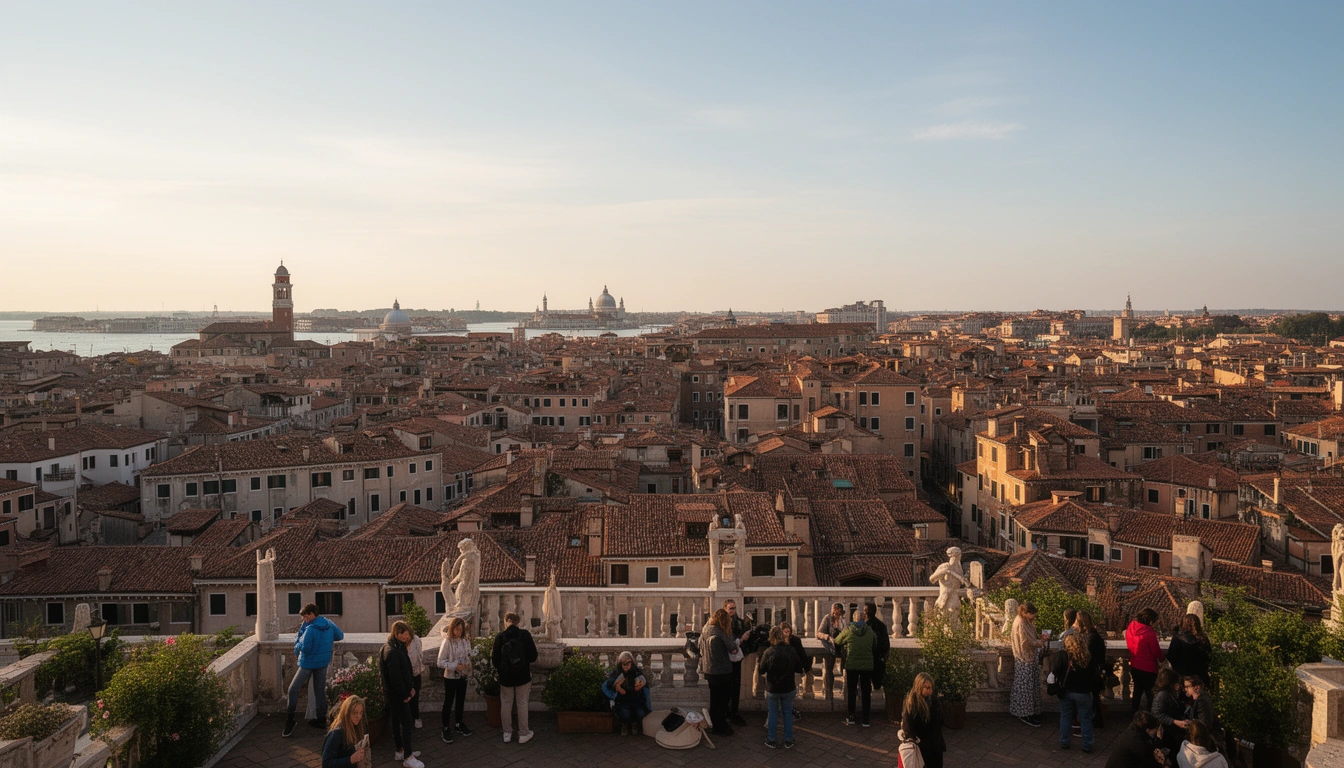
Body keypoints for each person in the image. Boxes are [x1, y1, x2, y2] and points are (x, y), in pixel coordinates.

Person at [284, 603, 345, 737]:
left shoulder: (310, 629)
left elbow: (305, 648)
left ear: (312, 614)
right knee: (319, 691)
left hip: (308, 663)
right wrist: (325, 641)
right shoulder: (328, 624)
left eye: (306, 617)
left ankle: (290, 720)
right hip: (323, 662)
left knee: (292, 689)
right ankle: (321, 719)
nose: (305, 620)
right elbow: (340, 635)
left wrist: (298, 643)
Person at [380, 621, 423, 768]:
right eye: (405, 633)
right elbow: (395, 678)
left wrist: (409, 687)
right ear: (397, 633)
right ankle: (408, 756)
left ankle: (401, 750)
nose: (407, 636)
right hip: (398, 695)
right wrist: (407, 694)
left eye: (408, 633)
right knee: (407, 723)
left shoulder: (394, 647)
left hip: (395, 694)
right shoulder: (392, 651)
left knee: (396, 722)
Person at [492, 611, 538, 744]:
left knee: (506, 703)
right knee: (522, 703)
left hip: (506, 676)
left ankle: (507, 733)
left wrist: (502, 669)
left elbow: (495, 659)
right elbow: (533, 656)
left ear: (505, 622)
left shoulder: (500, 636)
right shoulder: (524, 635)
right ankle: (523, 733)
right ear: (518, 622)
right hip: (522, 675)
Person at [758, 626, 803, 749]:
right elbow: (799, 668)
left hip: (773, 687)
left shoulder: (768, 652)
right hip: (788, 687)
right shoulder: (791, 650)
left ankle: (771, 739)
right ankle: (788, 739)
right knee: (787, 713)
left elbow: (761, 670)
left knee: (772, 713)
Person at [1052, 633, 1095, 753]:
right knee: (1086, 719)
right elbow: (1093, 675)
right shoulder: (1087, 656)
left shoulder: (1063, 655)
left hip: (1067, 690)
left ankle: (1064, 741)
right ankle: (1087, 744)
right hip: (1084, 691)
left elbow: (1055, 671)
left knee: (1065, 717)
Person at [698, 608, 737, 736]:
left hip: (709, 670)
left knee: (714, 699)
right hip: (722, 671)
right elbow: (733, 648)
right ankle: (721, 726)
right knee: (723, 700)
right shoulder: (720, 633)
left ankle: (715, 724)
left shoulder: (705, 630)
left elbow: (699, 646)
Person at [435, 616, 473, 743]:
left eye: (460, 630)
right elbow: (440, 662)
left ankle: (458, 723)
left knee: (460, 700)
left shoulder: (465, 640)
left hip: (463, 675)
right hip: (451, 677)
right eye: (456, 629)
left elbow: (468, 654)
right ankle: (445, 727)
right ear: (452, 629)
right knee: (449, 701)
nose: (458, 632)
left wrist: (468, 664)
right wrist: (455, 665)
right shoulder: (447, 642)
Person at [835, 610, 876, 727]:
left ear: (853, 619)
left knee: (851, 691)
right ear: (864, 619)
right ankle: (866, 718)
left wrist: (841, 653)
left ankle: (851, 716)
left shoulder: (848, 630)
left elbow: (837, 641)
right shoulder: (869, 631)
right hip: (867, 665)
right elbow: (875, 644)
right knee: (866, 692)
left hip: (852, 664)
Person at [900, 672, 946, 768]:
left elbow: (939, 722)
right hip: (920, 744)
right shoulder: (911, 701)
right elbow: (908, 724)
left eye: (931, 687)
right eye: (927, 687)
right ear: (919, 687)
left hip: (934, 743)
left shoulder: (935, 701)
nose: (930, 690)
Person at [1010, 602, 1044, 727]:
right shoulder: (1021, 623)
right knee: (1025, 688)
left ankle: (1027, 712)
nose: (1033, 616)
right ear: (1024, 613)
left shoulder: (1024, 621)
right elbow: (1025, 642)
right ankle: (1024, 713)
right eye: (1031, 614)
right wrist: (1038, 644)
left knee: (1027, 687)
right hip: (1024, 659)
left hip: (1026, 658)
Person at [1126, 608, 1165, 713]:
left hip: (1135, 664)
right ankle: (1152, 713)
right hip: (1149, 666)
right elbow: (1155, 650)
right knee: (1150, 692)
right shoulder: (1149, 632)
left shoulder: (1131, 627)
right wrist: (1162, 658)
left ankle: (1134, 712)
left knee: (1137, 691)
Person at [604, 651, 651, 735]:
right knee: (624, 713)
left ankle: (635, 724)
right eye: (624, 663)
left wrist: (641, 685)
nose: (626, 666)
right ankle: (624, 724)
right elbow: (608, 685)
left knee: (640, 712)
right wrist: (616, 690)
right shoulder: (617, 672)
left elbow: (645, 684)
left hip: (636, 699)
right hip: (622, 700)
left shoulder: (637, 672)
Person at [1077, 611, 1108, 729]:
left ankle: (1094, 721)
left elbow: (1088, 656)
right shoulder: (1092, 635)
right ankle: (1095, 721)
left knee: (1092, 698)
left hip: (1091, 672)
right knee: (1093, 698)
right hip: (1093, 671)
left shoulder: (1091, 637)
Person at [723, 599, 751, 727]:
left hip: (737, 658)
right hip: (726, 659)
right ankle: (728, 712)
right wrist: (742, 639)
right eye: (731, 609)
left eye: (734, 608)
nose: (733, 611)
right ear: (725, 609)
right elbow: (729, 642)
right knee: (727, 687)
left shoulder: (738, 622)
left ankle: (733, 712)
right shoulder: (723, 624)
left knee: (736, 685)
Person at [1166, 615, 1211, 693]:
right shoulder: (1203, 638)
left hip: (1181, 674)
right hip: (1199, 674)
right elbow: (1208, 655)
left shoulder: (1178, 638)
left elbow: (1171, 656)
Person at [321, 695, 368, 768]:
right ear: (347, 713)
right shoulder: (336, 734)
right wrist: (350, 760)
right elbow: (326, 763)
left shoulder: (357, 728)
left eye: (361, 713)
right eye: (355, 713)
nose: (358, 716)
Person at [1149, 668, 1187, 753]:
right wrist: (1175, 721)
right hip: (1167, 732)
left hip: (1172, 730)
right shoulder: (1162, 695)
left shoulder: (1170, 693)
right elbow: (1157, 714)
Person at [815, 602, 847, 691]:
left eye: (839, 613)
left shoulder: (842, 620)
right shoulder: (827, 618)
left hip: (841, 647)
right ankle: (828, 689)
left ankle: (845, 689)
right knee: (829, 669)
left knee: (845, 669)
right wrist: (827, 637)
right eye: (835, 612)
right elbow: (819, 633)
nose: (836, 615)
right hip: (830, 647)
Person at [779, 621, 806, 721]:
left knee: (790, 693)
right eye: (785, 632)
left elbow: (801, 655)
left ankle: (788, 711)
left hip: (793, 670)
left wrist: (804, 668)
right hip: (782, 672)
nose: (787, 634)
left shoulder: (795, 641)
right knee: (784, 693)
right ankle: (787, 712)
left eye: (788, 632)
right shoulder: (777, 642)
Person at [1181, 676, 1220, 747]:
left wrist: (1190, 725)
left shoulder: (1202, 701)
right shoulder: (1197, 700)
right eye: (1185, 687)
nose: (1185, 689)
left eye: (1188, 687)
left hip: (1206, 740)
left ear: (1197, 687)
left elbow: (1204, 723)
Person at [865, 603, 890, 692]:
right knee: (876, 686)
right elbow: (886, 645)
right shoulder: (881, 625)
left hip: (869, 658)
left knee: (867, 686)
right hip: (877, 658)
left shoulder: (864, 626)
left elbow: (885, 644)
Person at [406, 627, 425, 730]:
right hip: (406, 675)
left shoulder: (416, 639)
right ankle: (408, 719)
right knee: (406, 696)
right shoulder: (400, 643)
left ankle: (416, 717)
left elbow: (420, 655)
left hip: (416, 673)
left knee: (415, 697)